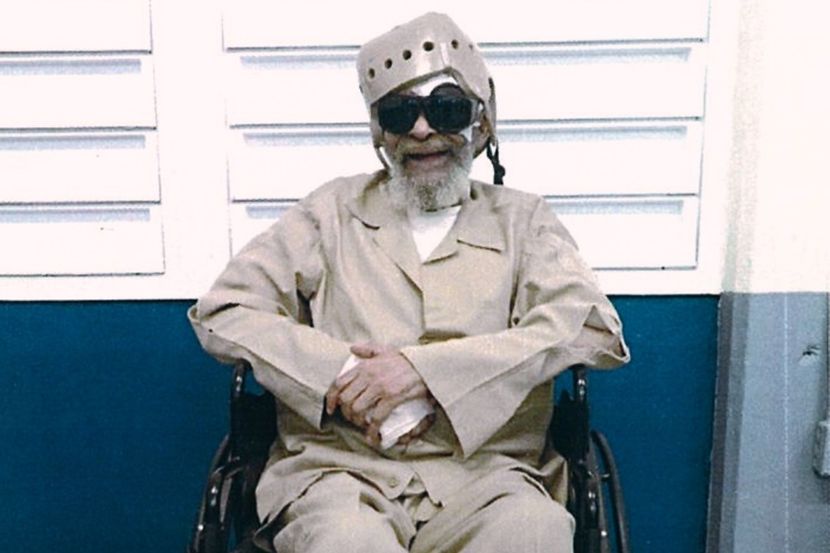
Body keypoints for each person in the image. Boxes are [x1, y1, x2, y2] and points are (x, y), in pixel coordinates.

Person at [189, 12, 629, 553]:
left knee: (533, 532)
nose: (422, 130)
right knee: (347, 542)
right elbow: (225, 311)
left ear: (480, 124)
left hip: (488, 477)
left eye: (447, 109)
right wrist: (343, 375)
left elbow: (592, 328)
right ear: (380, 132)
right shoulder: (329, 213)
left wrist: (427, 374)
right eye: (400, 114)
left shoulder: (524, 221)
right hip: (343, 475)